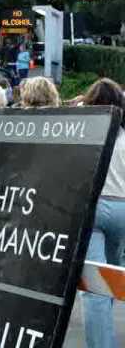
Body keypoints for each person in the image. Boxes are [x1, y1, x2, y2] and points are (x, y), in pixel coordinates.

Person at [80, 78, 125, 348]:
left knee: (96, 287)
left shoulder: (85, 133)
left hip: (94, 209)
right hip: (124, 209)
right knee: (115, 280)